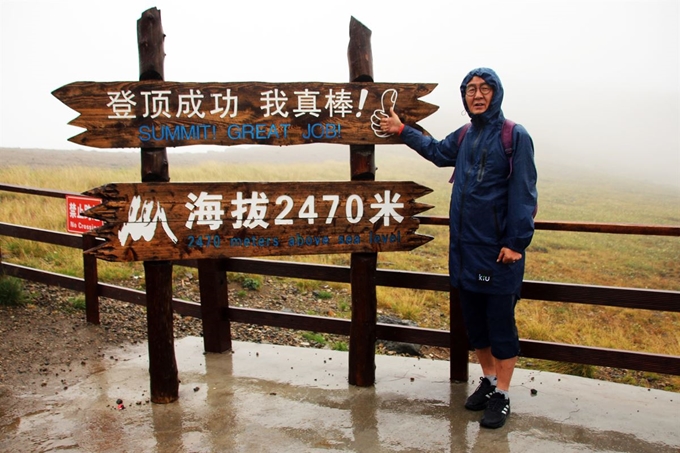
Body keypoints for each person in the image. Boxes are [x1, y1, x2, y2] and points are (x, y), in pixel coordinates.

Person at [380, 67, 537, 429]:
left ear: (496, 93)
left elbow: (525, 192)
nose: (477, 95)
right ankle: (490, 380)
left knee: (500, 325)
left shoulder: (515, 136)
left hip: (497, 252)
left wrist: (516, 243)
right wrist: (404, 131)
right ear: (464, 96)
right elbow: (437, 152)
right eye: (470, 90)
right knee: (475, 325)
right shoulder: (466, 134)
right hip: (465, 250)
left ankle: (504, 395)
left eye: (484, 89)